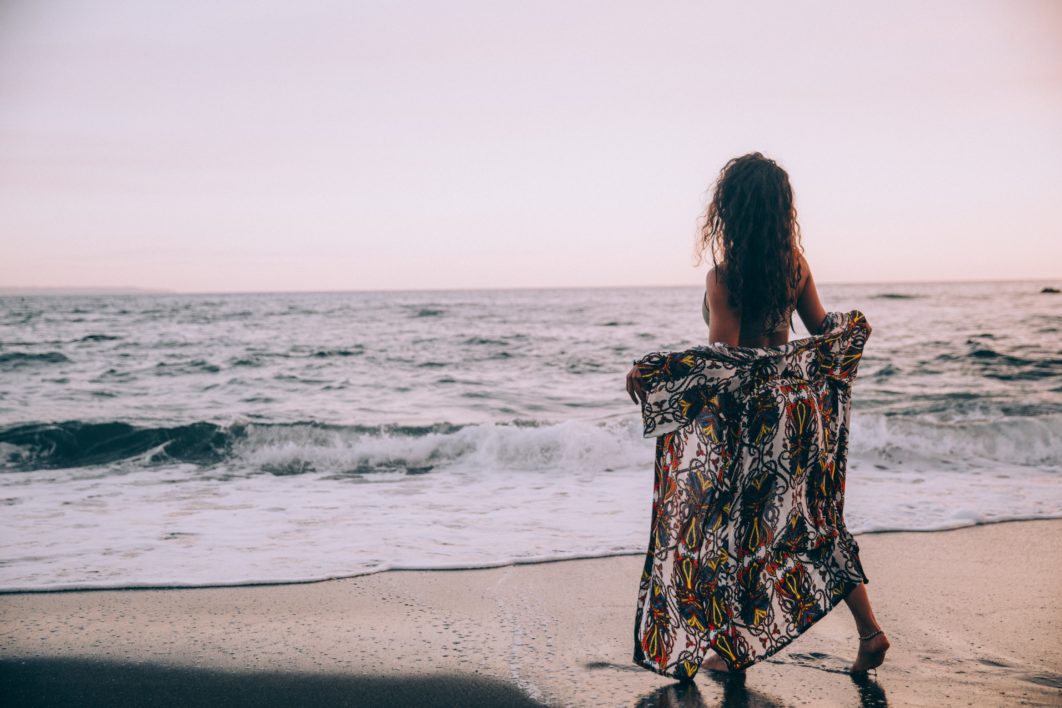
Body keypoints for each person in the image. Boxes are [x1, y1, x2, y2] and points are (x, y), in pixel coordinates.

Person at [626, 152, 888, 676]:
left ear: (730, 210)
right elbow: (820, 327)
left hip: (748, 425)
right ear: (779, 210)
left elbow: (725, 359)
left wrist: (653, 372)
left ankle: (730, 650)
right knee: (815, 522)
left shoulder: (724, 277)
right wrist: (850, 327)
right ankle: (869, 631)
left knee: (721, 530)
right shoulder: (795, 264)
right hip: (797, 418)